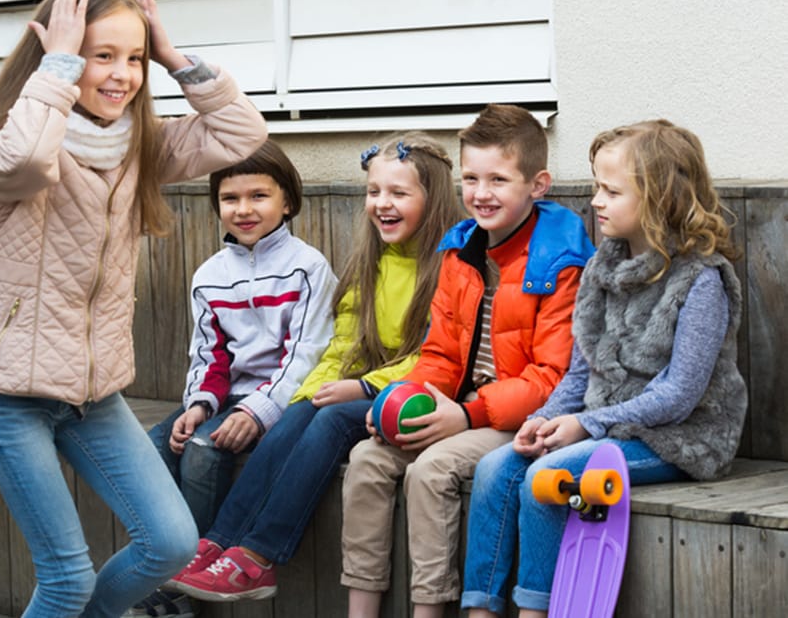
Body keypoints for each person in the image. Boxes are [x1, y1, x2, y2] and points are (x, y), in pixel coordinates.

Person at [0, 0, 266, 615]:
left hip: (92, 395)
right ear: (62, 57)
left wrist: (174, 58)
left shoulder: (140, 146)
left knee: (170, 543)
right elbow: (24, 159)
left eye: (135, 58)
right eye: (103, 55)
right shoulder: (21, 139)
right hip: (9, 393)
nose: (123, 74)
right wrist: (58, 67)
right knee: (66, 579)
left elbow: (241, 133)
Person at [461, 119, 747, 618]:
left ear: (661, 198)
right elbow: (581, 371)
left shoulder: (701, 280)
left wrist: (586, 425)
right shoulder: (602, 266)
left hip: (680, 438)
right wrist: (544, 420)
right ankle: (480, 610)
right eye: (597, 187)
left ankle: (536, 611)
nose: (596, 201)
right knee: (495, 468)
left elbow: (679, 394)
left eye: (612, 192)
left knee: (548, 476)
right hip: (604, 428)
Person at [163, 132, 464, 603]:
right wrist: (314, 389)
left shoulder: (452, 265)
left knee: (331, 419)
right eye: (374, 191)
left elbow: (438, 353)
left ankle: (258, 556)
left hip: (425, 393)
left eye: (398, 193)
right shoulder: (372, 260)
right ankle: (220, 542)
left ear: (434, 198)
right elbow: (344, 340)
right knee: (301, 411)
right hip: (370, 385)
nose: (382, 203)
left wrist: (362, 387)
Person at [340, 105, 597, 618]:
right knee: (367, 459)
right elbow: (439, 353)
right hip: (459, 408)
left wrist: (466, 414)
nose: (481, 193)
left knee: (431, 470)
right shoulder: (460, 251)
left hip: (517, 419)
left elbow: (552, 377)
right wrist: (399, 401)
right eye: (472, 178)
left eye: (498, 180)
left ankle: (429, 609)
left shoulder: (561, 262)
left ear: (538, 184)